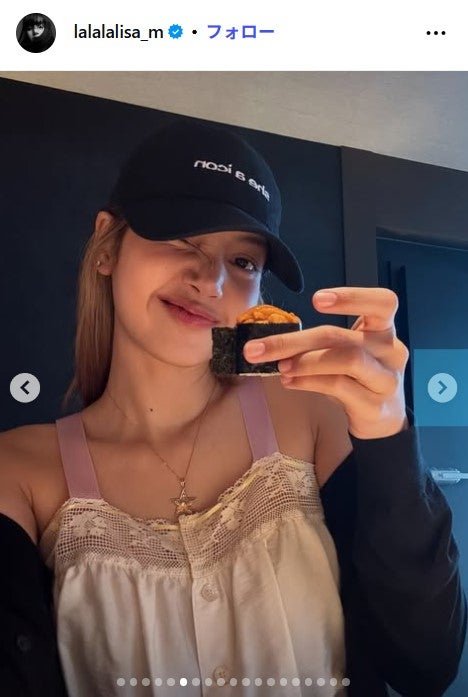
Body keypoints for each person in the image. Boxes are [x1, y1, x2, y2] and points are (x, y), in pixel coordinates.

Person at [0, 120, 465, 697]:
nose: (211, 282)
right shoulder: (20, 472)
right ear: (107, 246)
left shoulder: (312, 415)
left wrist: (387, 433)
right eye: (181, 238)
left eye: (243, 261)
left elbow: (426, 665)